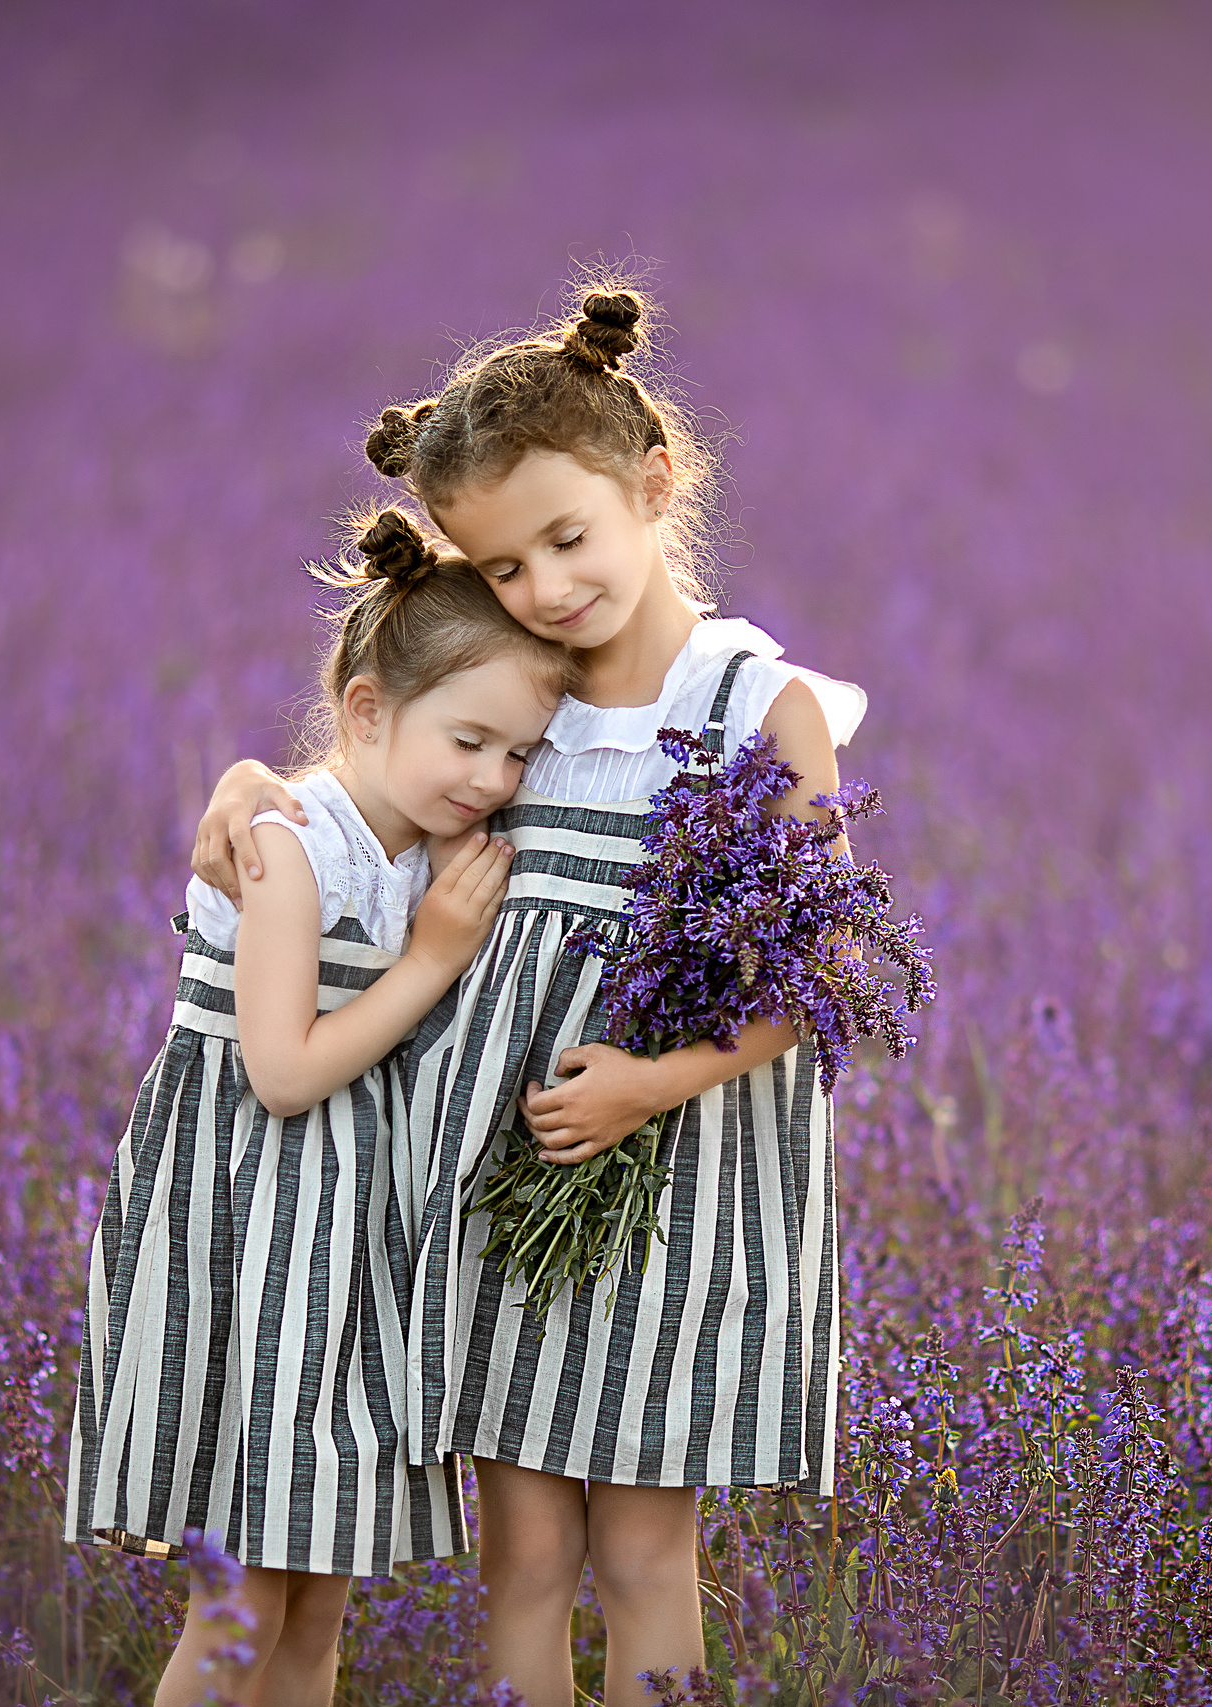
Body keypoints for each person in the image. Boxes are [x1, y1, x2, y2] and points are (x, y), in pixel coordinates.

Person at [195, 286, 865, 1706]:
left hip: (675, 1182)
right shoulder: (523, 702)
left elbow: (828, 966)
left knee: (639, 1554)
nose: (548, 586)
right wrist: (255, 783)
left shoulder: (756, 703)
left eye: (569, 538)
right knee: (520, 1556)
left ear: (654, 484)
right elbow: (366, 779)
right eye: (502, 566)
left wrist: (650, 1081)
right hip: (502, 1180)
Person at [71, 512, 576, 1707]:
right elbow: (282, 1075)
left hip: (343, 1246)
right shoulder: (291, 848)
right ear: (362, 711)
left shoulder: (415, 838)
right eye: (469, 741)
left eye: (518, 756)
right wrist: (432, 960)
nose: (491, 781)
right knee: (243, 1594)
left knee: (317, 1594)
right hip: (254, 1232)